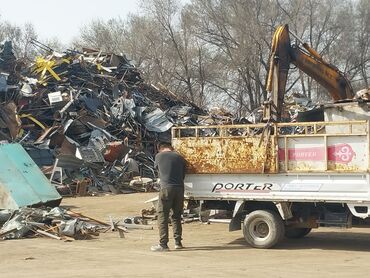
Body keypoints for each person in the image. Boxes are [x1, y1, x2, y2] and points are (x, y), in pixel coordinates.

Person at [151, 142, 186, 252]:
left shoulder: (159, 156)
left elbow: (158, 171)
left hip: (166, 188)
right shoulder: (180, 157)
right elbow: (183, 174)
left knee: (163, 216)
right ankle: (178, 242)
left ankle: (163, 244)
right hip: (180, 189)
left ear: (160, 149)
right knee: (176, 216)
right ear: (171, 148)